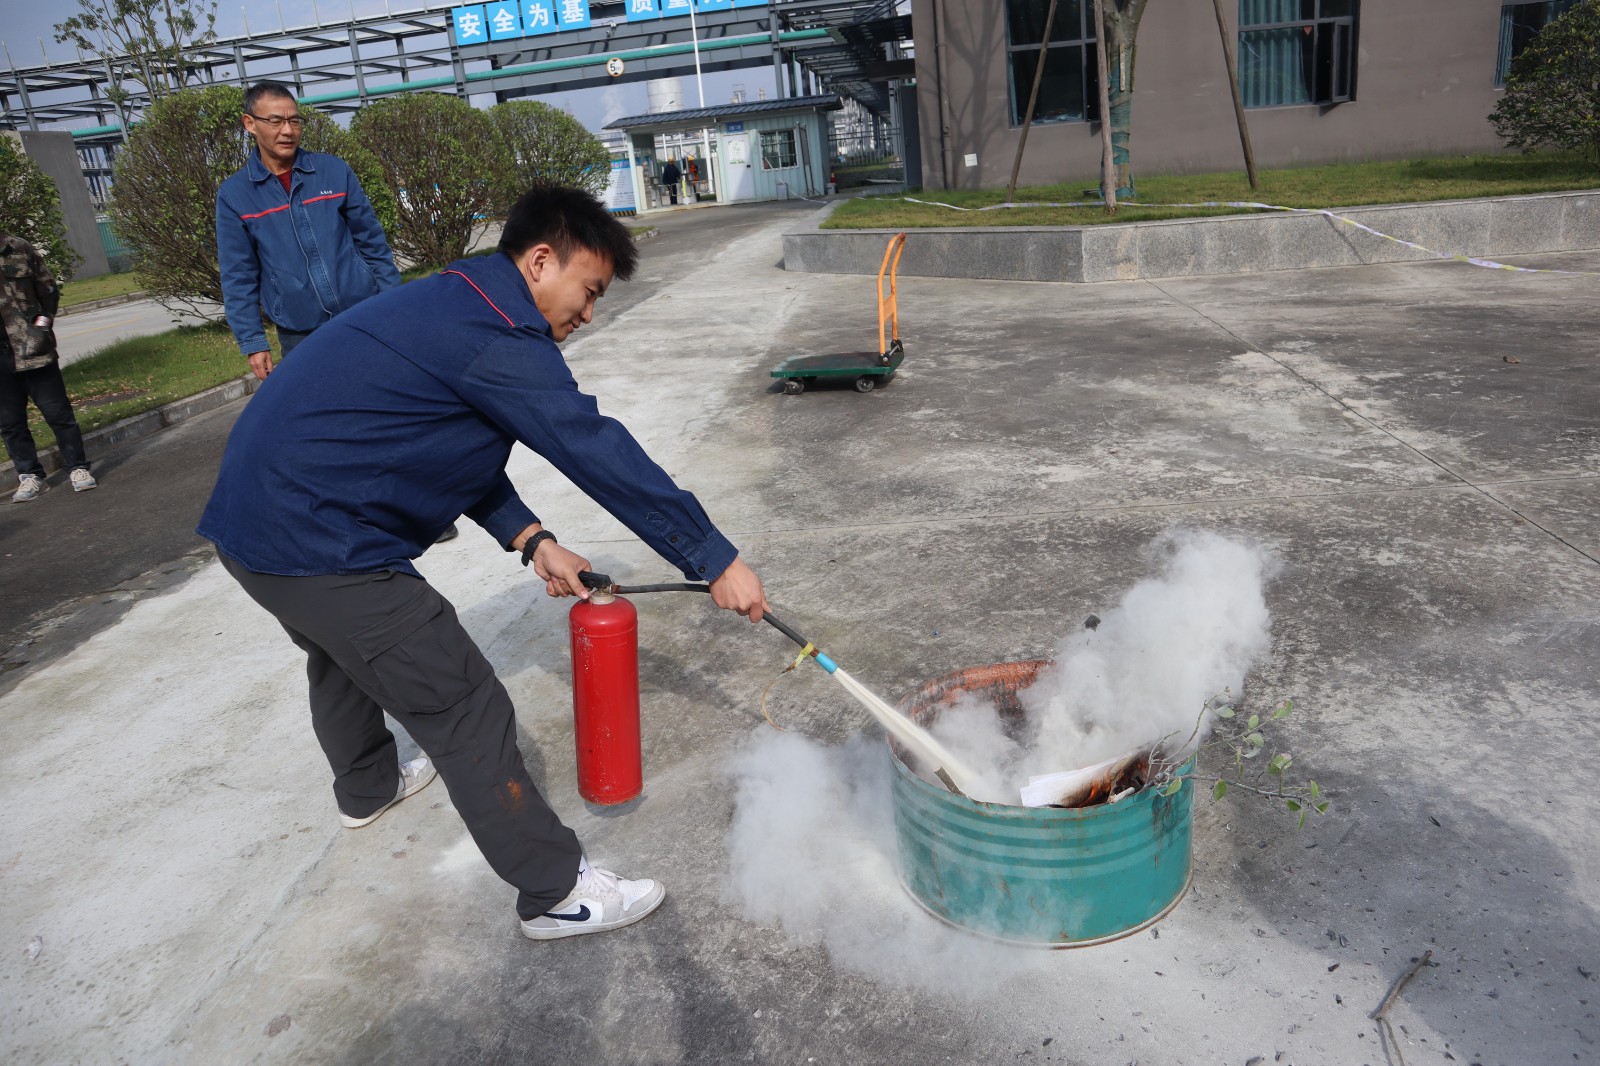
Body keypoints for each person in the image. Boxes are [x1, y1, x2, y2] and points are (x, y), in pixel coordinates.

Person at [198, 184, 769, 941]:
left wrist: (531, 538)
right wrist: (712, 557)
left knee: (339, 653)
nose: (589, 313)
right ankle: (554, 892)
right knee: (462, 700)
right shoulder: (500, 335)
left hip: (255, 529)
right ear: (540, 261)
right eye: (589, 290)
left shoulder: (456, 299)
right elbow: (593, 447)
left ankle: (366, 790)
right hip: (318, 539)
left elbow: (443, 436)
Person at [216, 80, 401, 382]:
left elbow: (373, 243)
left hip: (364, 313)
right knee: (324, 410)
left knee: (386, 394)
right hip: (298, 332)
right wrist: (253, 341)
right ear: (250, 124)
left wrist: (393, 302)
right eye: (275, 121)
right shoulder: (235, 195)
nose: (287, 130)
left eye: (294, 120)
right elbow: (238, 274)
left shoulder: (333, 171)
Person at [1, 233, 96, 503]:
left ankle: (77, 468)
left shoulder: (18, 248)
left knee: (58, 413)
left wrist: (42, 328)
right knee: (10, 423)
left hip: (33, 350)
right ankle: (30, 476)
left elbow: (48, 288)